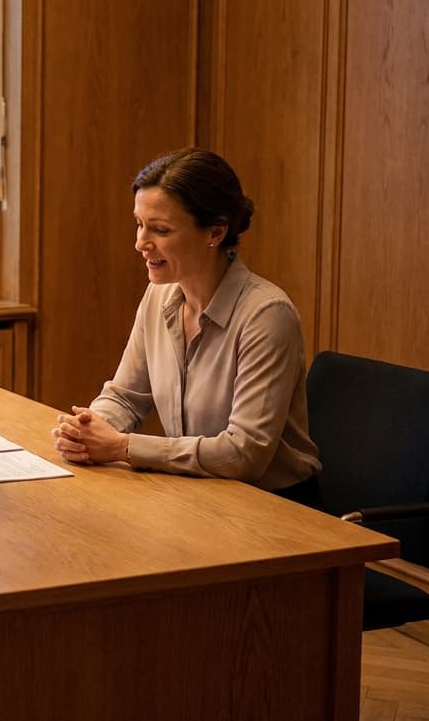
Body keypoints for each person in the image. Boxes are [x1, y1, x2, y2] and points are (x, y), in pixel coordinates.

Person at [51, 147, 322, 505]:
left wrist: (122, 446)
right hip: (198, 494)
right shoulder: (158, 296)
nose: (140, 243)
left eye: (160, 229)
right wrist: (87, 430)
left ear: (215, 232)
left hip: (275, 508)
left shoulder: (267, 314)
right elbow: (126, 397)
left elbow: (244, 454)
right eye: (139, 224)